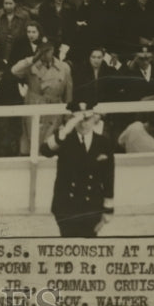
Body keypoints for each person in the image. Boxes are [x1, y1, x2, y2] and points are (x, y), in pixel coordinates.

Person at [40, 101, 115, 237]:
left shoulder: (104, 143)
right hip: (66, 207)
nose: (83, 124)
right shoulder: (64, 139)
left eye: (87, 119)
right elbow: (45, 151)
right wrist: (65, 130)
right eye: (78, 120)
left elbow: (108, 177)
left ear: (95, 119)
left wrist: (108, 209)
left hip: (92, 207)